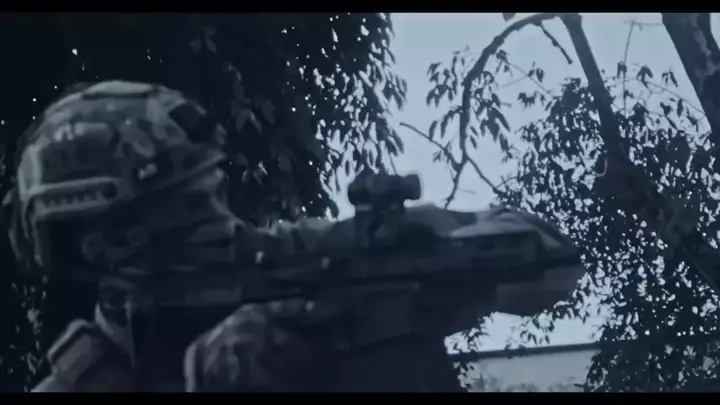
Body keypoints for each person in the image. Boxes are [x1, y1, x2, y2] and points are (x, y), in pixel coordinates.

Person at [5, 80, 585, 392]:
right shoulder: (98, 374)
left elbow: (554, 265)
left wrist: (447, 254)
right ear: (98, 248)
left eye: (208, 191)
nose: (215, 220)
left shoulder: (316, 258)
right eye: (181, 210)